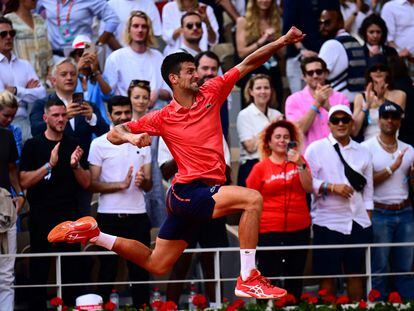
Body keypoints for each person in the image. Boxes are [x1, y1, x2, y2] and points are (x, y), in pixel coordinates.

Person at [48, 26, 306, 299]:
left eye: (196, 69)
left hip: (201, 194)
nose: (197, 74)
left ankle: (95, 235)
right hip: (188, 192)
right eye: (190, 71)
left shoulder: (212, 91)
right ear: (174, 78)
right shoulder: (162, 116)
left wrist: (283, 40)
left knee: (156, 263)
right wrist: (133, 139)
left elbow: (249, 62)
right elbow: (114, 133)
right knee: (252, 199)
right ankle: (248, 276)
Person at [20, 99, 90, 310]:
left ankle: (69, 307)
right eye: (56, 115)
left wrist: (75, 165)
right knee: (39, 268)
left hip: (69, 215)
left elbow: (87, 182)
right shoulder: (33, 145)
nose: (61, 119)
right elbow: (24, 181)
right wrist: (49, 165)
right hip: (40, 215)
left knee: (71, 269)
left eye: (63, 115)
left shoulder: (73, 143)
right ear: (45, 118)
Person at [88, 95, 152, 307]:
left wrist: (143, 181)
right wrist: (120, 185)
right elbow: (92, 184)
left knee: (141, 272)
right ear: (108, 114)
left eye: (127, 112)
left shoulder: (143, 140)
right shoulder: (98, 144)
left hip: (138, 215)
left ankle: (142, 308)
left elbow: (149, 184)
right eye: (118, 113)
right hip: (109, 216)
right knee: (107, 270)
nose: (123, 117)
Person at [304, 105, 373, 301]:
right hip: (327, 221)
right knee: (327, 277)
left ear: (352, 123)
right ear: (329, 124)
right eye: (336, 120)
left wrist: (368, 219)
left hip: (357, 221)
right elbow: (308, 183)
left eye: (345, 120)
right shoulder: (315, 149)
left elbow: (368, 190)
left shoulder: (363, 150)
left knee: (356, 275)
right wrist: (331, 187)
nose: (341, 124)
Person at [30, 58, 109, 216]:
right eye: (64, 74)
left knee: (81, 224)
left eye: (73, 74)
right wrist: (63, 117)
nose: (69, 78)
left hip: (80, 174)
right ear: (53, 80)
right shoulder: (41, 104)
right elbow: (36, 130)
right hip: (52, 174)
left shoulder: (87, 105)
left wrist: (92, 118)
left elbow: (105, 133)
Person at [246, 120, 313, 300]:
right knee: (269, 278)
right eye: (277, 137)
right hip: (269, 231)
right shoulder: (259, 168)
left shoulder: (300, 162)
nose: (282, 140)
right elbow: (249, 200)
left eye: (286, 137)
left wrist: (299, 163)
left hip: (299, 228)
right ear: (269, 142)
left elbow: (308, 187)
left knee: (295, 277)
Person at [361, 101, 414, 300]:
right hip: (380, 211)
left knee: (405, 267)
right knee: (379, 267)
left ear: (400, 121)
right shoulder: (366, 148)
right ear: (379, 119)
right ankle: (379, 305)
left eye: (394, 117)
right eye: (386, 117)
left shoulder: (409, 149)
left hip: (405, 210)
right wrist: (392, 167)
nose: (390, 121)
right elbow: (365, 184)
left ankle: (408, 304)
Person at [104, 11, 170, 107]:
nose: (140, 30)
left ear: (149, 30)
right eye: (136, 26)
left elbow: (169, 93)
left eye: (144, 26)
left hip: (156, 114)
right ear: (129, 30)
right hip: (127, 114)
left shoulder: (158, 57)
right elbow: (108, 94)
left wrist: (157, 93)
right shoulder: (115, 57)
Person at [285, 56, 349, 151]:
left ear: (326, 74)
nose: (315, 75)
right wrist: (317, 103)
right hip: (309, 157)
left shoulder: (340, 97)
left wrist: (328, 107)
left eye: (319, 71)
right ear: (304, 77)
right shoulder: (293, 100)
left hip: (338, 153)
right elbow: (298, 130)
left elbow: (350, 128)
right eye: (310, 73)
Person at [0, 16, 46, 143]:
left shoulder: (24, 64)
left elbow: (42, 94)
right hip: (7, 120)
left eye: (12, 33)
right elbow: (3, 102)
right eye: (3, 34)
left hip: (28, 117)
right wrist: (27, 91)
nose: (8, 37)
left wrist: (15, 91)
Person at [128, 80, 166, 228]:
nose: (141, 101)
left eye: (145, 97)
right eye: (137, 97)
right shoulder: (126, 125)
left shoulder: (156, 122)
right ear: (130, 98)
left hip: (155, 174)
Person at [235, 0, 283, 107]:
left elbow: (282, 54)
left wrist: (275, 41)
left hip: (272, 70)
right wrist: (262, 40)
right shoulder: (243, 21)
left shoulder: (276, 21)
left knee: (275, 106)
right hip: (251, 70)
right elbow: (241, 52)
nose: (264, 1)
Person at [282, 0, 338, 93]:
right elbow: (288, 26)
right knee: (300, 97)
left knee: (327, 94)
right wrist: (302, 50)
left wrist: (327, 49)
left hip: (326, 53)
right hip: (299, 55)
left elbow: (336, 21)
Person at [236, 74, 282, 187]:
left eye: (266, 88)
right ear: (251, 92)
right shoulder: (244, 115)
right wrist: (270, 126)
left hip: (274, 165)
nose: (263, 91)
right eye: (258, 88)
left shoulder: (276, 114)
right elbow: (250, 147)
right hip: (252, 166)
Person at [37, 0, 121, 58]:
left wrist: (98, 44)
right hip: (53, 55)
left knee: (85, 83)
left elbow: (112, 19)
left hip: (82, 54)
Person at [0, 116, 25, 311]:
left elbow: (11, 169)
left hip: (5, 204)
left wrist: (20, 193)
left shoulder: (6, 135)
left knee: (7, 271)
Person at [318, 9, 366, 103]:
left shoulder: (331, 44)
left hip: (338, 103)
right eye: (321, 23)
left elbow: (318, 76)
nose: (322, 27)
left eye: (327, 23)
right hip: (359, 102)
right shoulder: (355, 42)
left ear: (340, 23)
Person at [352, 60, 406, 141]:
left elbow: (397, 118)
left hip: (393, 141)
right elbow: (354, 131)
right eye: (374, 69)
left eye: (382, 68)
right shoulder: (360, 97)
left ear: (388, 72)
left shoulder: (399, 94)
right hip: (369, 143)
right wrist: (366, 106)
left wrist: (382, 98)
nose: (378, 71)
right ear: (369, 73)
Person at [5, 0, 53, 83]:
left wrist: (51, 70)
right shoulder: (8, 20)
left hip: (43, 81)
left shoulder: (39, 19)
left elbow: (47, 49)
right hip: (20, 81)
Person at [70, 35, 113, 125]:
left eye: (87, 53)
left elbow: (108, 96)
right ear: (74, 57)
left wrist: (96, 71)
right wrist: (77, 69)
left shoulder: (99, 76)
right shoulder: (70, 77)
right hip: (78, 124)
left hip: (99, 123)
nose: (85, 57)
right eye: (80, 54)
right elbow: (66, 93)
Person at [0, 90, 22, 157]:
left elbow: (17, 157)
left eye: (13, 116)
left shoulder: (15, 130)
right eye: (6, 116)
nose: (10, 119)